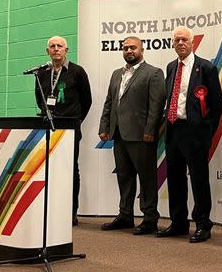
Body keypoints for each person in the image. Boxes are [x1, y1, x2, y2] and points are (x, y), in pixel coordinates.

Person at [157, 26, 222, 243]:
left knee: (199, 179)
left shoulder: (206, 67)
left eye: (184, 39)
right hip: (173, 129)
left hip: (195, 132)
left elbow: (216, 105)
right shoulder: (170, 67)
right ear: (173, 44)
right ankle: (178, 222)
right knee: (174, 178)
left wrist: (206, 132)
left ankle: (203, 224)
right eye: (177, 40)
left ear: (192, 42)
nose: (180, 43)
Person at [98, 37, 166, 235]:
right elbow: (109, 102)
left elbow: (156, 106)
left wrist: (150, 131)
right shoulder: (116, 74)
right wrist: (105, 127)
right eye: (126, 48)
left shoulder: (153, 73)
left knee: (147, 179)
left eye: (133, 47)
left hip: (141, 136)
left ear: (141, 50)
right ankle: (125, 215)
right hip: (119, 134)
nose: (129, 51)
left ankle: (150, 218)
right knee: (124, 177)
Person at [34, 35, 92, 226]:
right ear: (47, 51)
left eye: (60, 46)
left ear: (66, 50)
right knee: (47, 170)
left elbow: (87, 100)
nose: (56, 49)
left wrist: (75, 120)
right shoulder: (41, 73)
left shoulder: (77, 72)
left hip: (69, 129)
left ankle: (71, 211)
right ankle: (50, 209)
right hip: (47, 129)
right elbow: (39, 98)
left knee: (70, 170)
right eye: (52, 46)